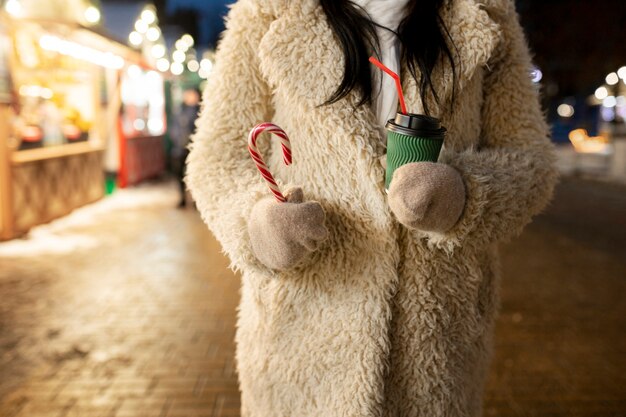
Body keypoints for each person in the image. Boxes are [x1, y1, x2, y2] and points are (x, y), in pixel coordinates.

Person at [186, 0, 558, 415]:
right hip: (300, 344)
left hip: (436, 351)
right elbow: (216, 159)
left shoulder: (484, 12)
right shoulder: (268, 12)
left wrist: (462, 194)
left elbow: (529, 158)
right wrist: (258, 227)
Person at [173, 88, 200, 207]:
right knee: (179, 175)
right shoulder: (180, 111)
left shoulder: (199, 111)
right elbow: (175, 127)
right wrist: (177, 139)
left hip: (195, 148)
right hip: (180, 148)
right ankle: (182, 199)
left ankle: (196, 200)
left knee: (195, 174)